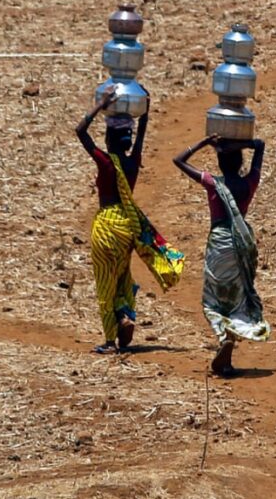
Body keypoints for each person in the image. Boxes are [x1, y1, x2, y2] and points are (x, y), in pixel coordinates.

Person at [76, 86, 184, 354]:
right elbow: (142, 136)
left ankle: (110, 340)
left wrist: (101, 104)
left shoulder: (106, 162)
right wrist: (145, 109)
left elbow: (80, 131)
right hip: (127, 227)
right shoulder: (133, 163)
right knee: (122, 275)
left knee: (105, 281)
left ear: (109, 140)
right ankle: (125, 315)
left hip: (106, 226)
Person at [173, 135, 270, 376]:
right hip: (242, 243)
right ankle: (229, 343)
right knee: (237, 297)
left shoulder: (213, 183)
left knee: (212, 301)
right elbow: (261, 146)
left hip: (219, 244)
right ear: (239, 163)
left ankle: (223, 336)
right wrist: (245, 144)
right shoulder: (250, 183)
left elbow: (178, 160)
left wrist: (203, 142)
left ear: (219, 163)